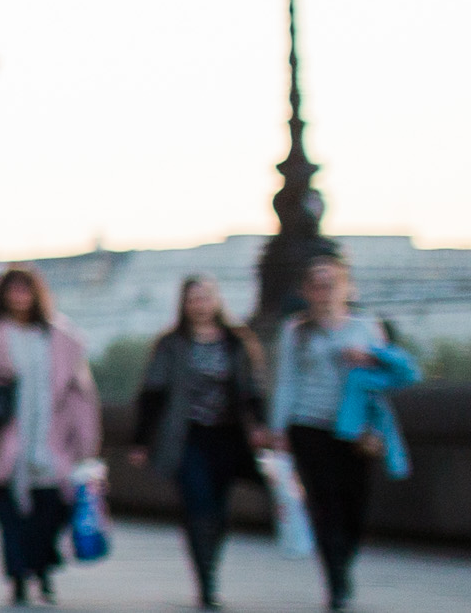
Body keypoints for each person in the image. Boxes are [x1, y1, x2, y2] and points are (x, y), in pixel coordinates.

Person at [0, 267, 100, 607]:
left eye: (25, 290)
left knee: (51, 512)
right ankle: (19, 576)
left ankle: (42, 569)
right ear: (1, 295)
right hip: (2, 439)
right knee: (10, 518)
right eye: (12, 290)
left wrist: (86, 443)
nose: (19, 297)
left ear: (37, 294)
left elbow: (81, 393)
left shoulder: (62, 337)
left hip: (51, 441)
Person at [270, 256, 415, 612]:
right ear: (307, 291)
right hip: (310, 425)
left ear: (347, 287)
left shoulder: (367, 326)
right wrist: (277, 429)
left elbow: (391, 374)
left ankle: (342, 563)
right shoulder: (295, 331)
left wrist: (368, 358)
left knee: (354, 503)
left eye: (332, 282)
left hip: (355, 430)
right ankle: (335, 580)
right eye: (317, 284)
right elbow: (286, 382)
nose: (325, 290)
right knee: (325, 502)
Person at [129, 277, 269, 610]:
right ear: (184, 304)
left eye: (205, 298)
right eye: (193, 299)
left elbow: (252, 389)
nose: (200, 305)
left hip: (227, 436)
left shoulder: (236, 342)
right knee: (197, 505)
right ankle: (205, 580)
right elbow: (152, 393)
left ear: (217, 302)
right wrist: (140, 441)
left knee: (218, 510)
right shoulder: (171, 344)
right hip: (185, 437)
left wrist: (260, 426)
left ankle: (211, 563)